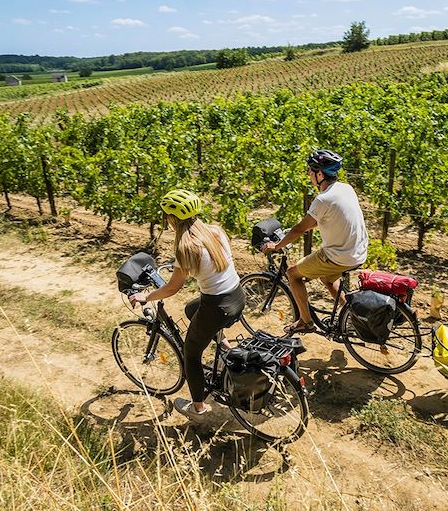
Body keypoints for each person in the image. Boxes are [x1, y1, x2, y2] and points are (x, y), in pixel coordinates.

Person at [130, 189, 245, 418]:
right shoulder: (215, 231)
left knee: (190, 355)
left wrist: (147, 296)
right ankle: (225, 348)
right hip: (236, 295)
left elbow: (172, 288)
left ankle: (198, 408)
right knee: (191, 309)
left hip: (217, 306)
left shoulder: (185, 248)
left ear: (172, 219)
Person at [261, 149, 368, 334]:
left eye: (311, 170)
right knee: (327, 278)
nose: (309, 174)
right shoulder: (346, 188)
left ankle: (305, 321)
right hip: (358, 251)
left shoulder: (322, 200)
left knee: (292, 273)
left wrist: (277, 245)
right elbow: (326, 220)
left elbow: (300, 229)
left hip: (339, 257)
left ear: (320, 174)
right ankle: (348, 313)